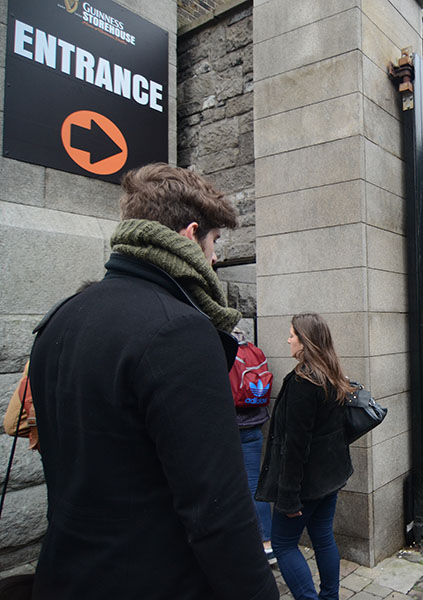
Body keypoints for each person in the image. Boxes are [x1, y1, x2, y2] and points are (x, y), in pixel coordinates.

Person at [28, 164, 278, 599]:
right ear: (190, 235)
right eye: (215, 242)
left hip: (63, 576)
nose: (215, 258)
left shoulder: (61, 316)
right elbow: (217, 511)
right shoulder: (179, 331)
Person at [256, 313, 354, 600]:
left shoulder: (304, 382)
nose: (288, 340)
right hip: (329, 480)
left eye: (292, 335)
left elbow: (295, 446)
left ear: (305, 341)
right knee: (323, 537)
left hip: (306, 485)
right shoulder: (331, 375)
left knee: (284, 544)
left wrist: (288, 497)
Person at [231, 327, 275, 563]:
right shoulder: (254, 351)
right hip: (255, 426)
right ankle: (267, 542)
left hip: (230, 428)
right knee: (253, 484)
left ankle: (240, 540)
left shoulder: (222, 352)